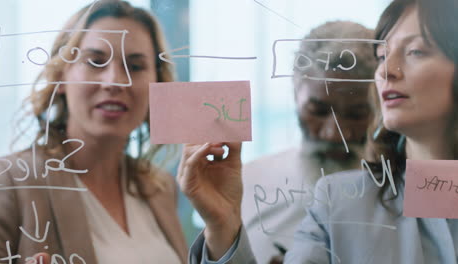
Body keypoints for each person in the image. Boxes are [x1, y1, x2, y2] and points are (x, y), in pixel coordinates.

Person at [178, 0, 458, 263]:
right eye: (383, 55)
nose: (334, 133)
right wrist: (223, 226)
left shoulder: (422, 186)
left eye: (416, 51)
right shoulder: (335, 200)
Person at [0, 1, 187, 263]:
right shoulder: (4, 181)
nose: (115, 81)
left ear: (157, 84)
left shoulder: (160, 189)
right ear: (60, 76)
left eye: (136, 66)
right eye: (95, 62)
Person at [241, 20, 376, 264]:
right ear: (295, 94)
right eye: (318, 111)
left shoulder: (408, 187)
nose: (334, 134)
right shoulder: (247, 181)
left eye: (356, 114)